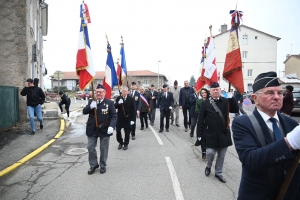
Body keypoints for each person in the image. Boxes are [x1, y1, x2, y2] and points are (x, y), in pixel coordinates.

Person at [232, 72, 300, 199]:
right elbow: (250, 160)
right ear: (254, 98)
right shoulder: (243, 123)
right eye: (269, 93)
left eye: (280, 93)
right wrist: (289, 142)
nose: (277, 97)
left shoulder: (292, 124)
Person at [197, 82, 238, 183]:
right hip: (210, 133)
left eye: (217, 89)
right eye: (213, 89)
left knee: (222, 155)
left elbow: (235, 109)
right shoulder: (205, 103)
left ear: (220, 90)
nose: (215, 91)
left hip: (224, 133)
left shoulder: (225, 101)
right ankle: (208, 166)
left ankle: (218, 173)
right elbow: (201, 119)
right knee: (210, 152)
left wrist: (231, 97)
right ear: (210, 91)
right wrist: (199, 134)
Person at [83, 84, 117, 175]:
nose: (98, 93)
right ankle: (93, 165)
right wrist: (90, 107)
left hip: (104, 129)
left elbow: (114, 116)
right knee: (90, 147)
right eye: (97, 92)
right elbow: (84, 112)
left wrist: (112, 126)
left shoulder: (109, 103)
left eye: (100, 92)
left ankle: (103, 165)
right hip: (92, 129)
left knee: (103, 149)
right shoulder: (91, 101)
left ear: (104, 93)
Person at [114, 86, 136, 150]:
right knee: (118, 130)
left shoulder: (131, 99)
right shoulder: (118, 98)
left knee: (127, 132)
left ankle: (126, 143)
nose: (124, 92)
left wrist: (133, 120)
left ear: (127, 92)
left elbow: (133, 110)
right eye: (123, 91)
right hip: (120, 118)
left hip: (127, 117)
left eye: (125, 91)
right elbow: (114, 107)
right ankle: (120, 142)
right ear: (121, 92)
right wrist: (118, 103)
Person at [196, 88, 209, 159]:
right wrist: (203, 112)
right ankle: (203, 152)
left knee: (208, 137)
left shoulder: (211, 101)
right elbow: (197, 110)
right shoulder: (198, 101)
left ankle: (207, 150)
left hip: (209, 121)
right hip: (202, 121)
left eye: (205, 92)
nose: (204, 94)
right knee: (202, 136)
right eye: (202, 93)